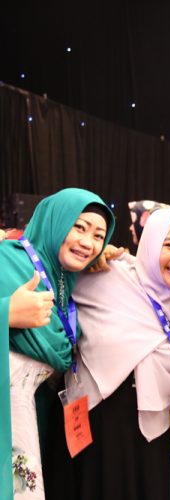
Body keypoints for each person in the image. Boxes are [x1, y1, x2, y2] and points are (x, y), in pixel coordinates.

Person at [43, 207, 170, 500]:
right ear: (150, 245)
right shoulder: (108, 275)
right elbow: (53, 268)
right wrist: (95, 254)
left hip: (158, 429)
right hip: (100, 424)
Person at [0, 188, 115, 499]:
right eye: (79, 227)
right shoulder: (6, 260)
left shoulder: (64, 280)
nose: (88, 243)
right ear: (55, 221)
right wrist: (6, 312)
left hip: (31, 425)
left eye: (99, 236)